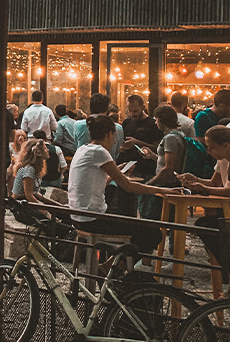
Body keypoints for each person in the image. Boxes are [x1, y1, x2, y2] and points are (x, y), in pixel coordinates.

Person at [68, 115, 174, 268]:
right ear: (110, 134)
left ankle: (111, 265)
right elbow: (128, 186)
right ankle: (113, 267)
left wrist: (117, 172)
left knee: (134, 225)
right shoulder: (99, 152)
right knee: (153, 233)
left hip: (79, 217)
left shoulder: (83, 149)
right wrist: (162, 191)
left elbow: (98, 184)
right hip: (94, 220)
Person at [178, 125, 230, 289]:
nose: (209, 152)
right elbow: (215, 183)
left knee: (209, 227)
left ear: (226, 145)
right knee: (205, 226)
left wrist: (203, 189)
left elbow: (227, 190)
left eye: (212, 147)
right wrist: (196, 180)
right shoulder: (221, 160)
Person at [11, 136, 63, 222]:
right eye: (45, 149)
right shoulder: (29, 169)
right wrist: (47, 213)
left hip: (27, 204)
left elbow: (37, 194)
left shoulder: (35, 168)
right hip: (22, 208)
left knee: (61, 212)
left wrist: (59, 206)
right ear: (38, 152)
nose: (48, 150)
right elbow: (29, 196)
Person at [118, 94, 163, 181]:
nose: (132, 114)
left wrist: (137, 142)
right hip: (128, 167)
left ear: (143, 107)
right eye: (130, 111)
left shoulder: (153, 124)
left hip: (146, 169)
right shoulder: (127, 122)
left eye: (135, 111)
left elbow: (157, 149)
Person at [74, 93, 125, 158]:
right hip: (109, 164)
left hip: (83, 160)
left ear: (90, 108)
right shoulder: (117, 127)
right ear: (107, 109)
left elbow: (76, 145)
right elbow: (117, 152)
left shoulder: (78, 125)